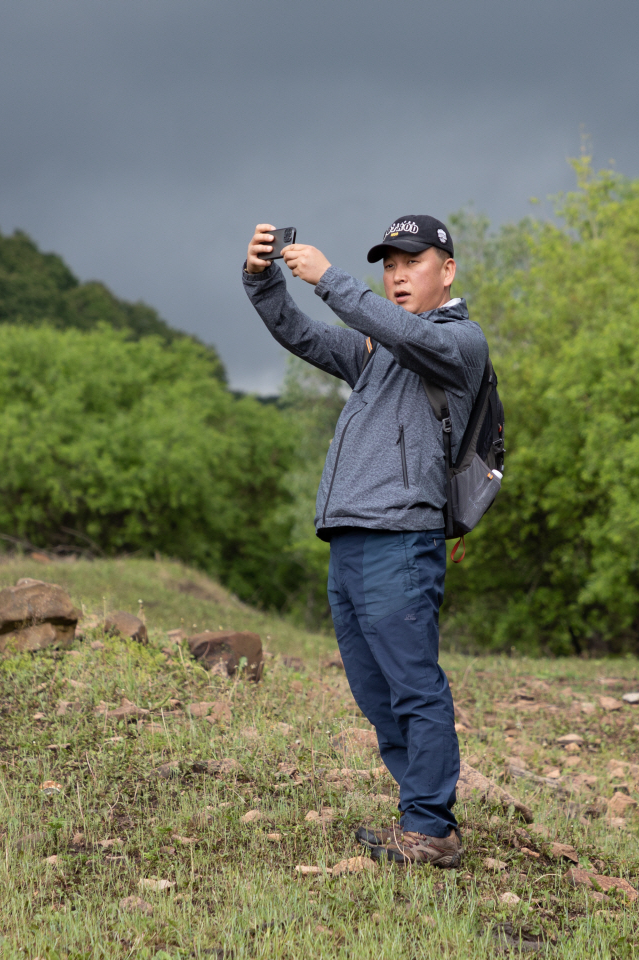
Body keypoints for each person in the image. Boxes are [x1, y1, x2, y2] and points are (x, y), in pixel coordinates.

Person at [242, 215, 487, 867]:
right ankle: (419, 817)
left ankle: (432, 827)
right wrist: (263, 279)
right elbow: (299, 334)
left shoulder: (461, 342)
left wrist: (331, 280)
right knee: (375, 688)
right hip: (349, 541)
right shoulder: (377, 354)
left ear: (448, 270)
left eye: (413, 261)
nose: (399, 274)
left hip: (401, 539)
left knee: (412, 683)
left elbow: (399, 329)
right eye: (389, 264)